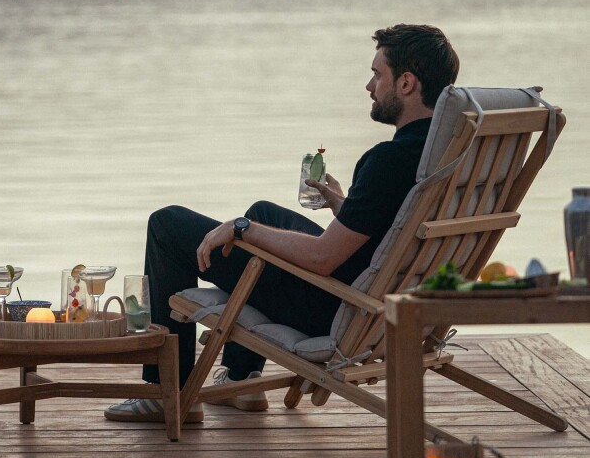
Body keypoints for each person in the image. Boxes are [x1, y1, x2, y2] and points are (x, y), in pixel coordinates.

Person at [106, 24, 460, 423]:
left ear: (407, 83)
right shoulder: (447, 155)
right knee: (265, 211)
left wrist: (242, 228)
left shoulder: (388, 161)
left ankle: (164, 391)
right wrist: (346, 207)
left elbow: (323, 258)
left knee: (168, 225)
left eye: (377, 75)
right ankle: (241, 379)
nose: (368, 86)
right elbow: (398, 233)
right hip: (383, 304)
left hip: (332, 306)